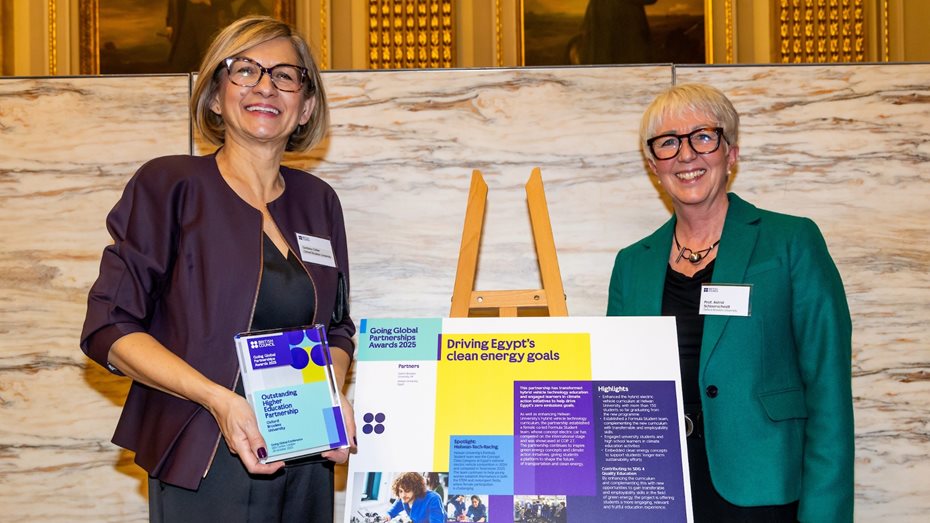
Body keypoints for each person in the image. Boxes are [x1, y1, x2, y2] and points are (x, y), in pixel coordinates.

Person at [80, 15, 355, 522]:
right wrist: (218, 401)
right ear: (214, 95)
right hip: (208, 450)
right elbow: (109, 326)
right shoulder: (170, 185)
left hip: (305, 454)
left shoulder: (319, 202)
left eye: (285, 75)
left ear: (305, 106)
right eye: (246, 70)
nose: (266, 86)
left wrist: (330, 401)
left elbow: (336, 328)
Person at [606, 83, 853, 521]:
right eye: (668, 142)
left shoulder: (791, 242)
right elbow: (619, 393)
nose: (686, 155)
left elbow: (828, 392)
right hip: (661, 491)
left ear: (731, 152)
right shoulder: (631, 264)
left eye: (703, 136)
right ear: (653, 165)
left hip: (764, 491)